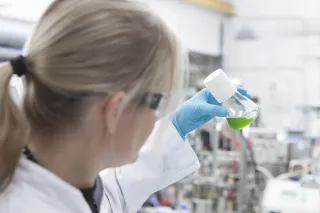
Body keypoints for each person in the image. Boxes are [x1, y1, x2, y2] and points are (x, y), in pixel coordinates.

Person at [0, 1, 250, 213]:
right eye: (156, 102)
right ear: (115, 109)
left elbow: (109, 197)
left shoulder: (62, 183)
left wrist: (177, 127)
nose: (154, 119)